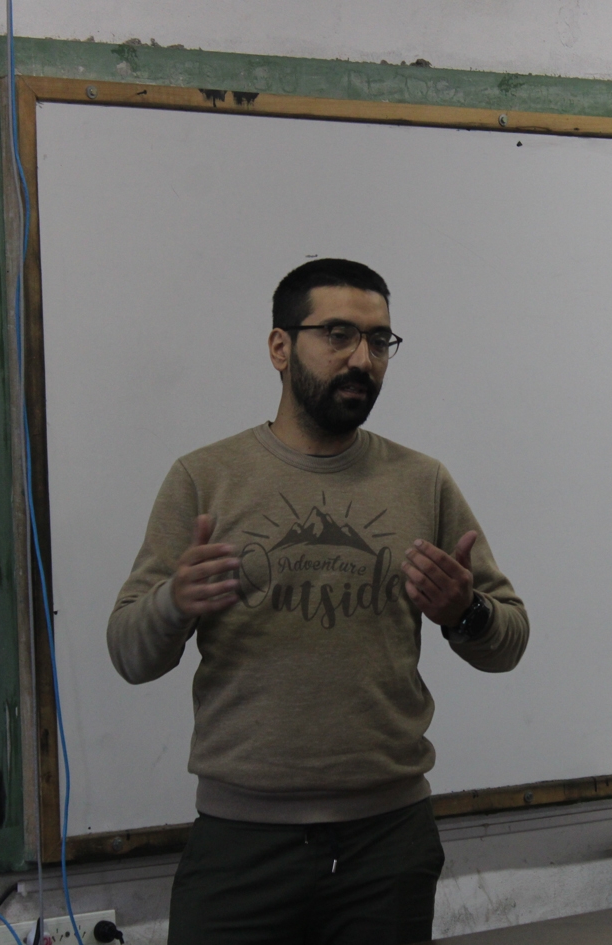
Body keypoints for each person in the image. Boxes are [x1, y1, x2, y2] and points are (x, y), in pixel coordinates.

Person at [106, 258, 529, 945]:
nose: (362, 358)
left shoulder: (422, 481)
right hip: (242, 844)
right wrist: (173, 603)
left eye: (379, 340)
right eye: (338, 335)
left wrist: (466, 612)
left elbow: (508, 639)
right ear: (280, 347)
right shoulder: (204, 478)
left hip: (387, 843)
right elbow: (129, 653)